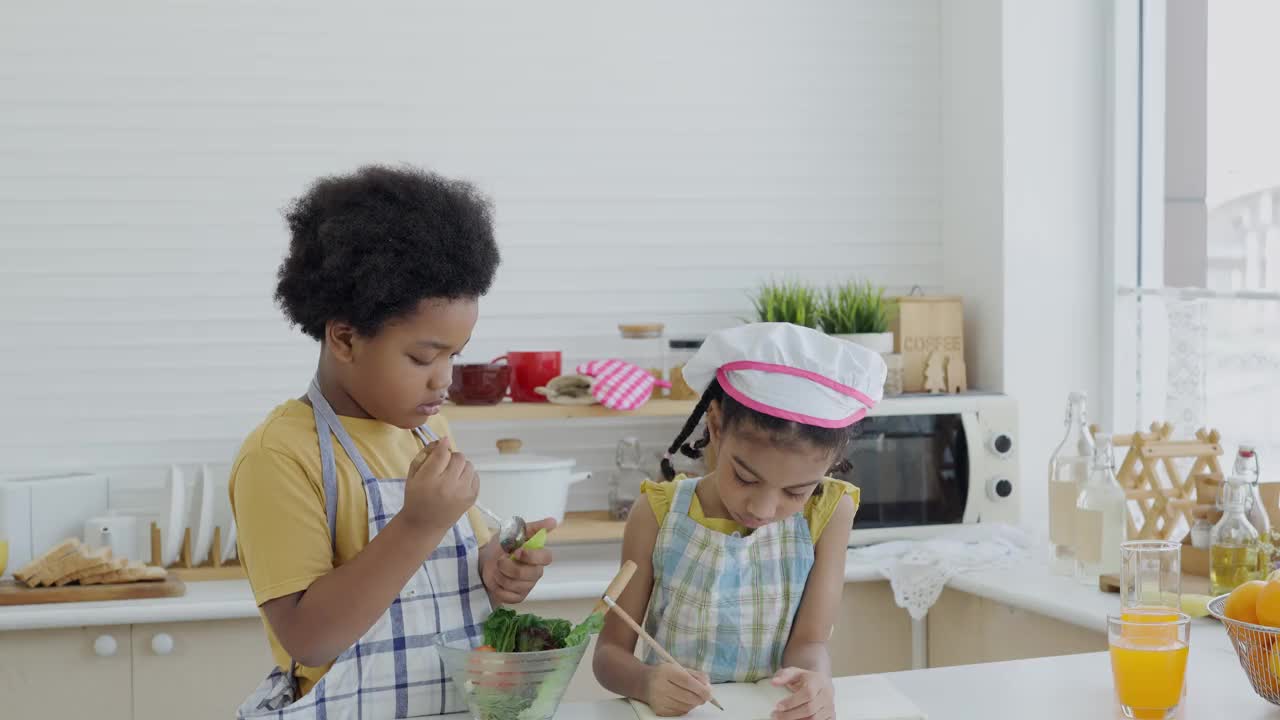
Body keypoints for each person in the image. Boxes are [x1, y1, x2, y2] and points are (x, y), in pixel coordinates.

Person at [230, 165, 555, 718]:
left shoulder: (428, 430)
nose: (444, 379)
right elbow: (308, 638)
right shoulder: (280, 455)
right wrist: (418, 524)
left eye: (455, 354)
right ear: (345, 338)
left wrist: (496, 571)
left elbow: (449, 576)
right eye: (423, 358)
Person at [593, 322, 886, 720]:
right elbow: (609, 655)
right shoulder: (656, 513)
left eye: (795, 491)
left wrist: (815, 683)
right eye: (746, 477)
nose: (764, 509)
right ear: (715, 426)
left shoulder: (829, 513)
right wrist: (646, 682)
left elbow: (809, 644)